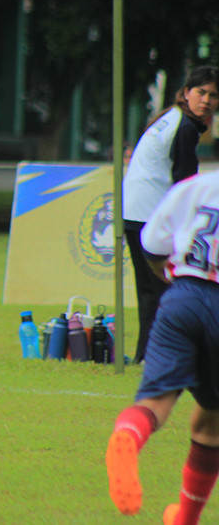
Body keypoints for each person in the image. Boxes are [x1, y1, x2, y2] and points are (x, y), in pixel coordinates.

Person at [106, 168, 219, 524]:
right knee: (213, 425)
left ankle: (127, 435)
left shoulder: (197, 185)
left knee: (158, 404)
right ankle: (186, 517)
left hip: (182, 297)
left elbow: (153, 246)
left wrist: (171, 278)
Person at [123, 66, 219, 363]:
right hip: (147, 215)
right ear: (187, 91)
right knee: (163, 291)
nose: (206, 100)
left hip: (135, 212)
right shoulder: (185, 127)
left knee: (152, 292)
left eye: (213, 96)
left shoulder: (172, 117)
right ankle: (156, 356)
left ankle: (147, 355)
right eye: (201, 92)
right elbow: (184, 185)